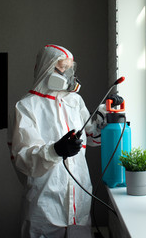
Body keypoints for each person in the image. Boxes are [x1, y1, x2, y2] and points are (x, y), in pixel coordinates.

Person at [9, 44, 123, 237]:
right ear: (47, 69)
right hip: (44, 210)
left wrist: (106, 114)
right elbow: (23, 159)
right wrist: (56, 150)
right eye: (63, 69)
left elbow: (92, 138)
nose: (69, 75)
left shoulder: (74, 101)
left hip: (79, 206)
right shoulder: (26, 107)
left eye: (71, 68)